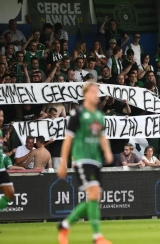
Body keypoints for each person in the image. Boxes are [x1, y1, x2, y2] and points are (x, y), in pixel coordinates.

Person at [57, 82, 113, 244]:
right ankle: (97, 237)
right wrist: (63, 162)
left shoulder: (99, 115)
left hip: (96, 160)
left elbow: (102, 136)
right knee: (94, 194)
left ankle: (65, 224)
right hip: (81, 158)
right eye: (93, 91)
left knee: (94, 197)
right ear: (85, 94)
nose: (96, 94)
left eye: (97, 92)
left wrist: (108, 152)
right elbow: (68, 139)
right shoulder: (78, 114)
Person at [0, 110, 16, 211]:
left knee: (10, 194)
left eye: (2, 115)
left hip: (1, 169)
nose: (1, 118)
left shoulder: (0, 132)